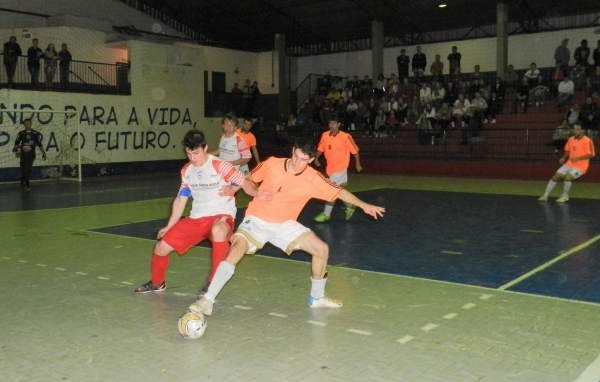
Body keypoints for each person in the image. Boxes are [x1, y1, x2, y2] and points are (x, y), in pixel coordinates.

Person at [187, 137, 385, 316]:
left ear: (310, 160)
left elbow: (340, 193)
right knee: (236, 249)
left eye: (303, 160)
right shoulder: (272, 163)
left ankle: (317, 298)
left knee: (322, 249)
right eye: (296, 156)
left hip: (284, 224)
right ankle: (208, 300)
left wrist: (364, 205)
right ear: (293, 150)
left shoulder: (313, 178)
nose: (297, 163)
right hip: (257, 218)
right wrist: (236, 188)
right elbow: (249, 178)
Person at [134, 130, 269, 295]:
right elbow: (181, 199)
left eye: (196, 153)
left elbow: (244, 182)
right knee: (160, 247)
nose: (192, 157)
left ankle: (213, 283)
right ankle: (157, 283)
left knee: (218, 230)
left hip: (221, 216)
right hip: (196, 218)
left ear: (205, 148)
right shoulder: (187, 171)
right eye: (189, 153)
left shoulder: (220, 166)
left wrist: (257, 193)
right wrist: (169, 225)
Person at [313, 113, 362, 222]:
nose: (331, 125)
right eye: (330, 123)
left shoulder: (345, 137)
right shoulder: (325, 135)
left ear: (339, 124)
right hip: (331, 169)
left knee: (331, 191)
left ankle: (326, 214)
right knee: (339, 191)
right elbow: (321, 148)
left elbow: (355, 151)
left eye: (334, 123)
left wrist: (357, 163)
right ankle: (350, 206)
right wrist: (316, 158)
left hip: (340, 169)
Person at [538, 124, 594, 203]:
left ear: (582, 131)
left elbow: (591, 154)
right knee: (555, 177)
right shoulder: (571, 139)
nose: (575, 131)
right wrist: (564, 157)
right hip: (570, 163)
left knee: (567, 178)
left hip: (581, 166)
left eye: (578, 129)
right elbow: (567, 150)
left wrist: (578, 158)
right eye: (574, 129)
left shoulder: (587, 140)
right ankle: (545, 195)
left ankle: (565, 196)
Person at [12, 119, 46, 191]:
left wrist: (43, 152)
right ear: (24, 125)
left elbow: (39, 144)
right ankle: (27, 183)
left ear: (31, 124)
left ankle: (23, 184)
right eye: (25, 123)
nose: (27, 124)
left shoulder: (36, 134)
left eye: (28, 123)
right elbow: (17, 143)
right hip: (23, 154)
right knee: (23, 169)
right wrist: (16, 149)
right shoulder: (21, 133)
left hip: (31, 154)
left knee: (27, 168)